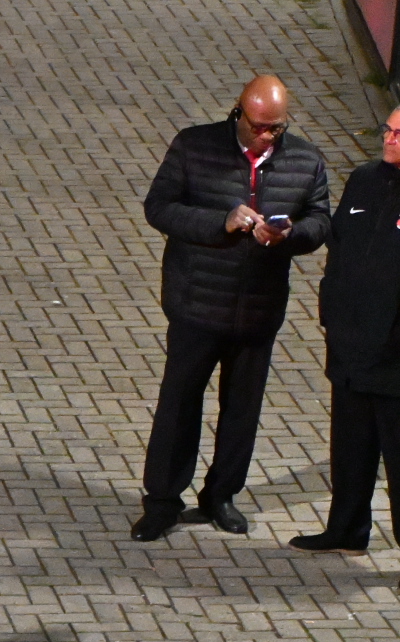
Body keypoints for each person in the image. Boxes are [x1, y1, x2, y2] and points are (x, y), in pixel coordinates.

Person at [133, 75, 330, 542]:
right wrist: (219, 223)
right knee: (179, 404)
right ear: (238, 113)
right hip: (196, 303)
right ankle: (161, 500)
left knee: (242, 409)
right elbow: (159, 208)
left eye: (276, 128)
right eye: (260, 126)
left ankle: (221, 495)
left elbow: (320, 220)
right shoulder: (194, 147)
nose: (268, 136)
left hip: (259, 309)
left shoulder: (305, 160)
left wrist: (290, 236)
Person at [289, 108, 400, 555]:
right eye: (388, 129)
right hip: (350, 346)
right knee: (350, 451)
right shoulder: (364, 179)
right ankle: (346, 529)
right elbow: (339, 246)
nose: (389, 138)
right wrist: (332, 310)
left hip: (395, 358)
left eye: (399, 134)